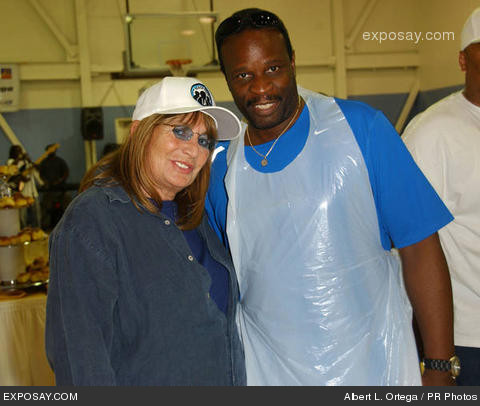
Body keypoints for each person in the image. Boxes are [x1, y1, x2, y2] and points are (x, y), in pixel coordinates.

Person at [206, 8, 457, 386]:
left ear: (292, 62)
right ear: (227, 79)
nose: (260, 88)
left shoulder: (358, 129)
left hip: (374, 369)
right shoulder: (223, 170)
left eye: (273, 68)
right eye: (243, 75)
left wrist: (439, 368)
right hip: (268, 375)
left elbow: (421, 248)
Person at [45, 77, 246, 386]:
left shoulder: (194, 216)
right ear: (140, 131)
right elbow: (80, 362)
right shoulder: (93, 221)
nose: (193, 150)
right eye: (180, 131)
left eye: (204, 140)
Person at [402, 8, 480, 387]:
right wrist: (436, 360)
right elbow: (408, 246)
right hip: (466, 341)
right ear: (463, 59)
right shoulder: (432, 133)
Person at [7, 145, 43, 227]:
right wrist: (19, 159)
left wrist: (28, 160)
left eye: (20, 151)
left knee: (37, 215)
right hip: (22, 193)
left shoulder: (26, 162)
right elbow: (13, 171)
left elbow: (37, 168)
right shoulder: (11, 161)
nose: (19, 153)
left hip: (32, 192)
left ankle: (37, 230)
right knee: (22, 217)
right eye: (17, 151)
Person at [38, 145, 70, 230]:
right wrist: (46, 182)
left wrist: (59, 181)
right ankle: (45, 227)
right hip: (49, 191)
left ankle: (69, 225)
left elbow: (66, 173)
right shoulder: (44, 162)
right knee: (45, 208)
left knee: (68, 206)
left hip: (61, 190)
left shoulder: (60, 161)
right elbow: (41, 175)